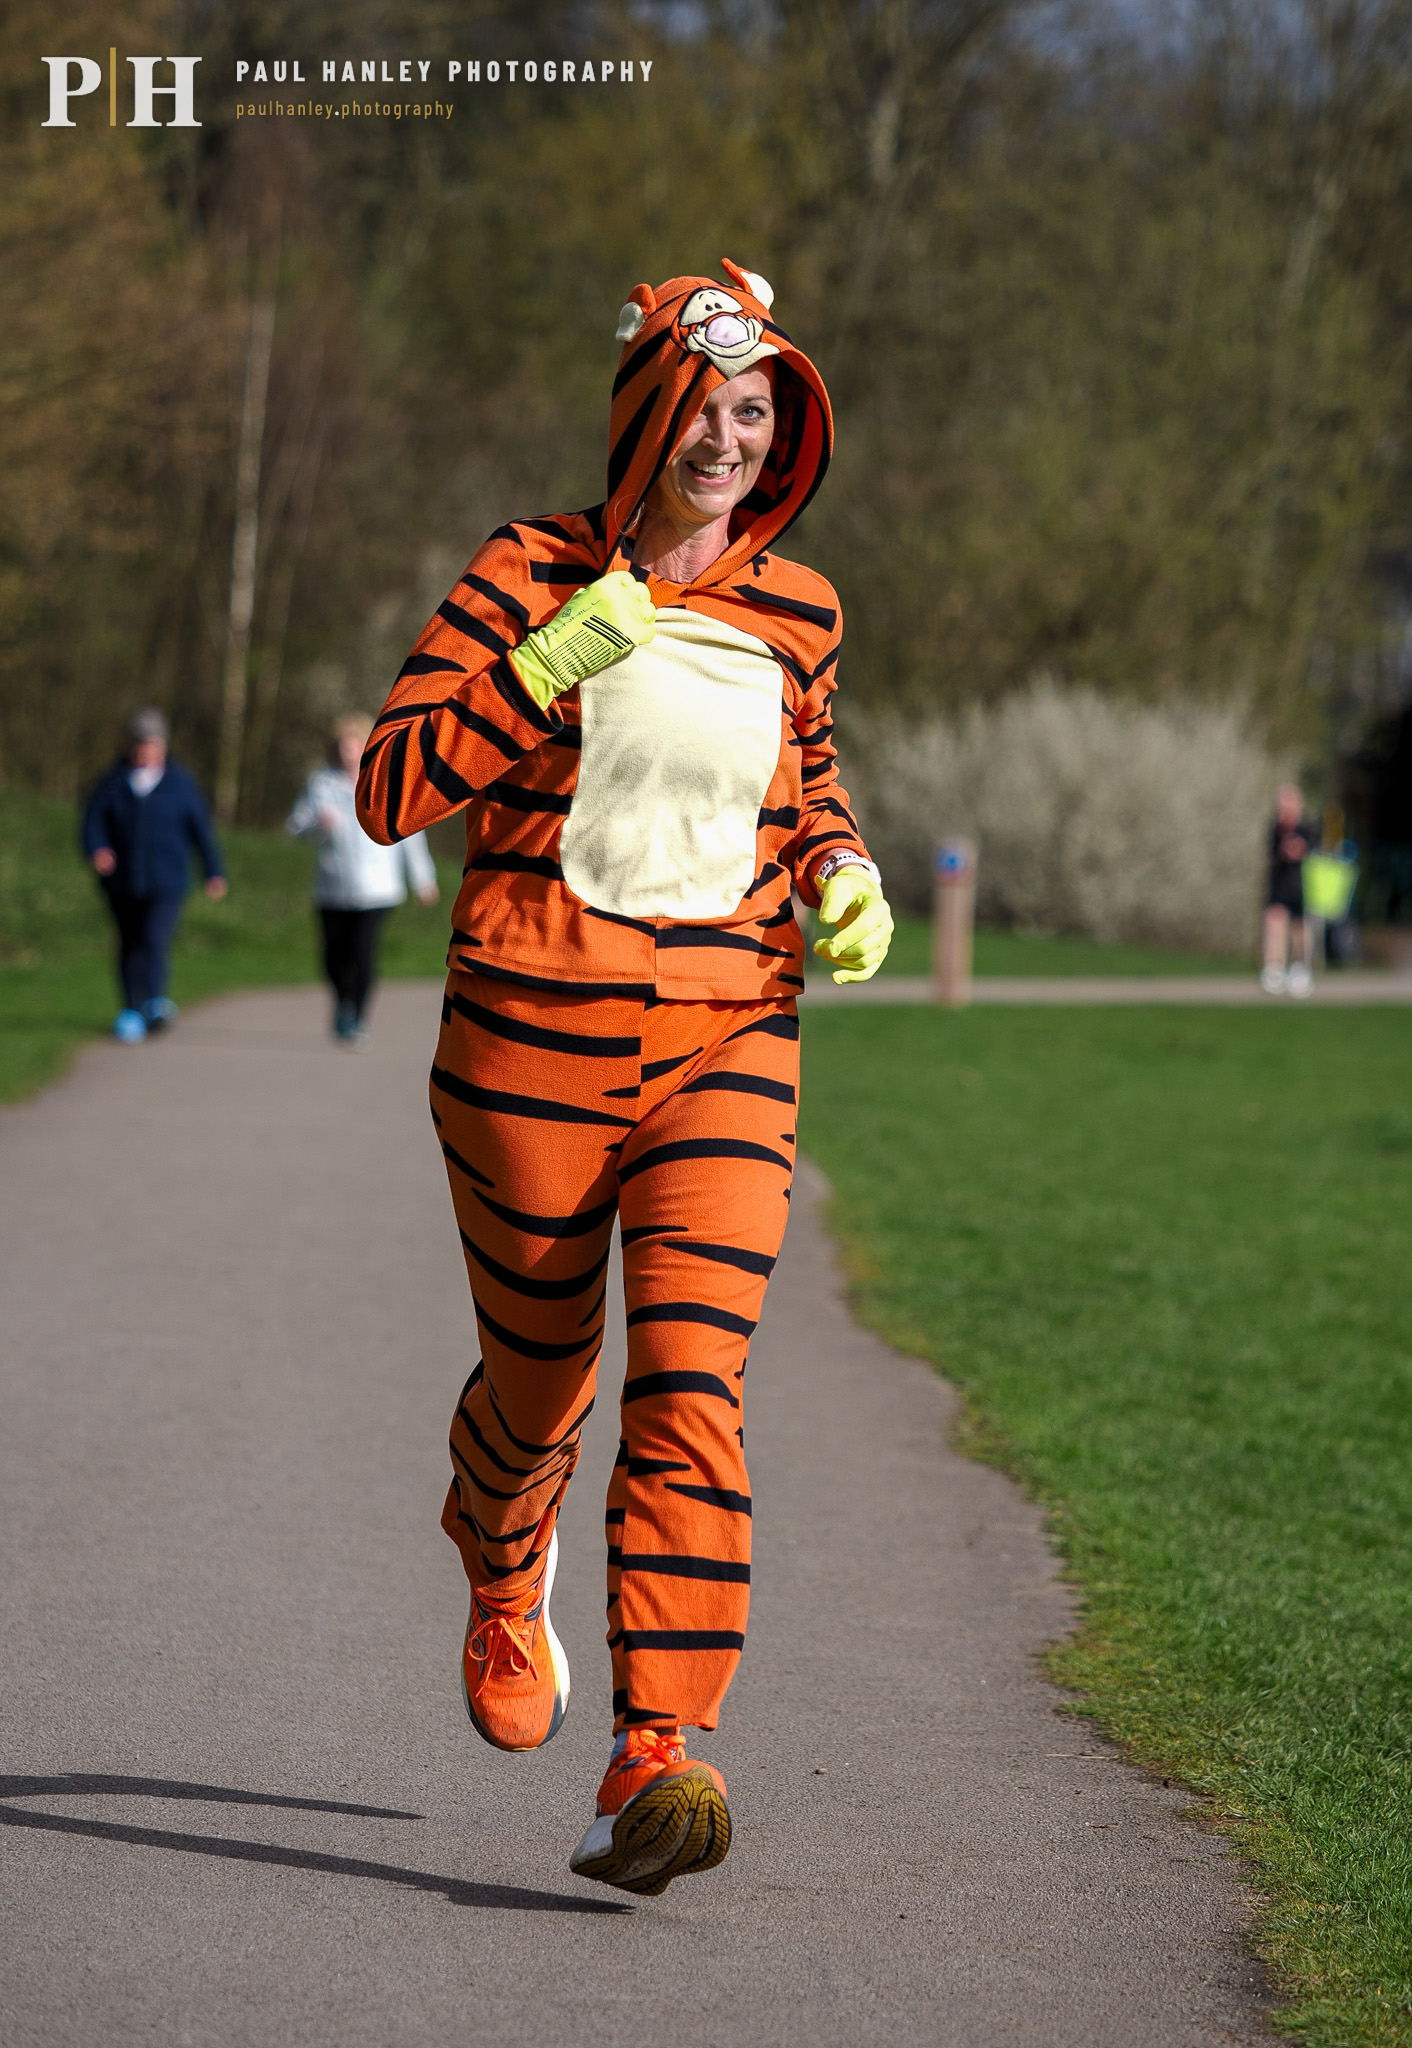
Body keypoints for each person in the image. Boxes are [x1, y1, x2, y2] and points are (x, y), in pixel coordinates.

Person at [357, 261, 892, 1896]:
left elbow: (797, 779)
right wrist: (547, 660)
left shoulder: (803, 607)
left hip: (731, 1038)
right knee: (542, 1392)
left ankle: (652, 1750)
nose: (728, 440)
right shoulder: (528, 570)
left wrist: (842, 865)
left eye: (757, 414)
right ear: (645, 414)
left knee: (691, 1383)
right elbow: (389, 789)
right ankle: (497, 1544)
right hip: (529, 1041)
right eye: (706, 408)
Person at [287, 714, 439, 1045]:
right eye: (343, 745)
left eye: (355, 744)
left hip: (378, 888)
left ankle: (356, 1017)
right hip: (332, 887)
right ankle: (342, 1001)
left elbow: (409, 834)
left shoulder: (386, 781)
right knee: (332, 958)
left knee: (362, 953)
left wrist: (423, 879)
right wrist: (316, 825)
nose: (348, 751)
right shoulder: (320, 784)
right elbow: (294, 827)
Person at [80, 708, 227, 1043]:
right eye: (139, 745)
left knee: (154, 937)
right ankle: (131, 1009)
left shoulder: (180, 783)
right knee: (129, 942)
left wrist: (213, 871)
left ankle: (154, 1002)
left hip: (167, 880)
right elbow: (92, 824)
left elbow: (200, 831)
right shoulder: (112, 781)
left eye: (152, 744)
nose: (145, 751)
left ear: (163, 746)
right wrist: (98, 850)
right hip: (122, 881)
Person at [1260, 782, 1317, 997]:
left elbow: (1314, 854)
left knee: (1300, 930)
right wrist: (1282, 850)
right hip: (1279, 887)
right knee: (1274, 923)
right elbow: (1271, 858)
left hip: (1301, 888)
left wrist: (1301, 850)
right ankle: (1274, 968)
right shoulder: (1275, 830)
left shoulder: (1307, 829)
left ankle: (1299, 969)